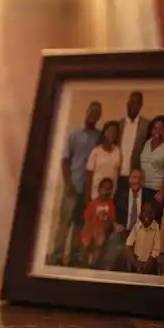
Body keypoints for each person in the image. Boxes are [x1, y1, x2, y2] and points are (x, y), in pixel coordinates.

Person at [50, 101, 102, 265]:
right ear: (86, 112)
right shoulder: (74, 134)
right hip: (72, 187)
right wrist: (67, 183)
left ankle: (73, 257)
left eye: (97, 113)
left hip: (87, 191)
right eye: (91, 111)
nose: (93, 115)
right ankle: (57, 256)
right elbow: (65, 160)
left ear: (99, 117)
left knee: (80, 225)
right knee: (64, 223)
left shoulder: (99, 137)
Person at [140, 114, 164, 223]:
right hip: (142, 188)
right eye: (155, 128)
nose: (157, 131)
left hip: (155, 191)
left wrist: (161, 192)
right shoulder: (146, 143)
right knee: (139, 221)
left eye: (160, 128)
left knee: (153, 223)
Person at [116, 91, 149, 203]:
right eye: (131, 102)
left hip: (135, 176)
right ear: (127, 104)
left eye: (136, 103)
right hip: (118, 174)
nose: (133, 105)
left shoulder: (146, 125)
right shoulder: (119, 124)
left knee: (132, 208)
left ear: (141, 105)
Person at [78, 176, 117, 269]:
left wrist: (105, 228)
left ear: (111, 191)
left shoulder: (110, 205)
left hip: (102, 230)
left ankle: (93, 264)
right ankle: (83, 262)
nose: (106, 191)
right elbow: (87, 218)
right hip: (91, 227)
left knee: (99, 241)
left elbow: (111, 220)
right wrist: (88, 229)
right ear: (99, 189)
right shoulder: (93, 203)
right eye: (104, 188)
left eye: (108, 189)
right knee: (86, 240)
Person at [85, 120, 121, 202]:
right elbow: (88, 175)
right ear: (104, 132)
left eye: (114, 132)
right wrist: (87, 198)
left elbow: (117, 172)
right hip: (96, 194)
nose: (112, 134)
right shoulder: (96, 151)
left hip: (110, 195)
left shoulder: (117, 151)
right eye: (110, 131)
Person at [124, 200, 163, 274]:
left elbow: (156, 249)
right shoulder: (136, 226)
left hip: (149, 260)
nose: (147, 215)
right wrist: (136, 263)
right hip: (136, 260)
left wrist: (149, 261)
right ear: (140, 213)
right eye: (144, 212)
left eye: (150, 212)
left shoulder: (156, 227)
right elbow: (128, 244)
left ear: (154, 214)